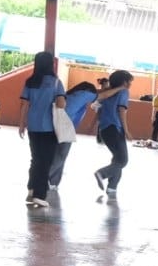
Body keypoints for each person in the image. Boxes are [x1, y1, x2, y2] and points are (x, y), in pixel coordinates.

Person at [18, 51, 66, 209]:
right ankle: (39, 194)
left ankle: (31, 189)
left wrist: (21, 123)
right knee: (45, 161)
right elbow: (61, 104)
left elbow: (24, 104)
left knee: (36, 158)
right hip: (49, 126)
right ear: (51, 64)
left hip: (33, 125)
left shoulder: (30, 82)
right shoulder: (56, 82)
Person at [48, 80, 101, 189]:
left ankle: (53, 182)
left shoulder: (72, 94)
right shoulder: (84, 94)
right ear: (88, 91)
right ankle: (44, 179)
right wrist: (118, 88)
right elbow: (101, 95)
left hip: (59, 125)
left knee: (58, 155)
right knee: (61, 155)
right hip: (64, 127)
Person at [92, 69, 134, 200]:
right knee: (123, 160)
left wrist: (96, 125)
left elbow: (99, 109)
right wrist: (126, 130)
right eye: (129, 82)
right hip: (115, 128)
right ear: (124, 82)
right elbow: (122, 110)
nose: (130, 84)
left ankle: (112, 186)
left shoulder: (108, 92)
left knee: (117, 158)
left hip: (105, 129)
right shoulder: (124, 92)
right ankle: (102, 173)